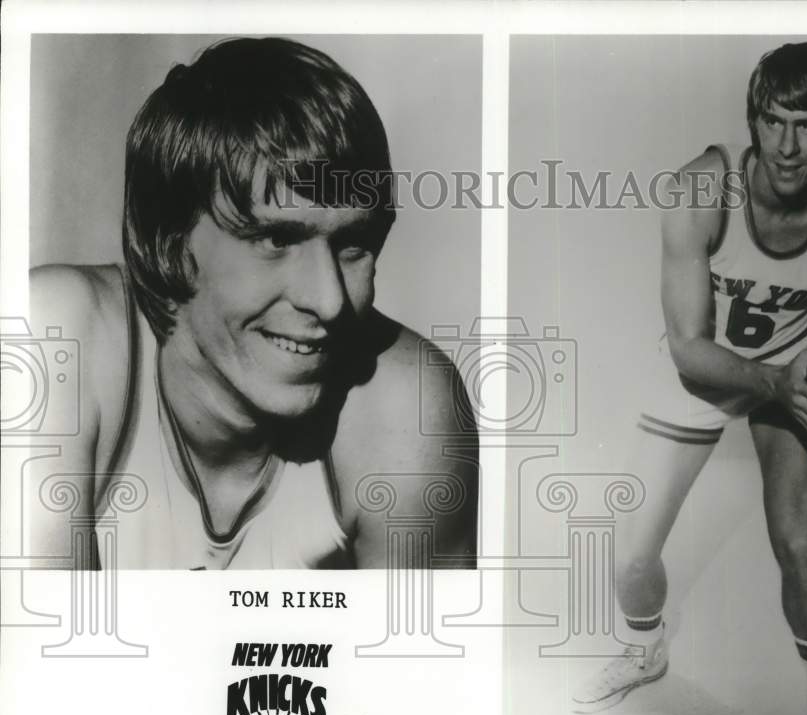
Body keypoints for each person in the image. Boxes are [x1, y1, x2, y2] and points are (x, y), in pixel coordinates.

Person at [28, 37, 477, 569]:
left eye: (353, 245)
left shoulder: (407, 406)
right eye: (277, 240)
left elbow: (417, 653)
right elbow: (40, 651)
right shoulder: (54, 339)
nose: (329, 301)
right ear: (170, 241)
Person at [572, 43, 807, 715]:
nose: (784, 144)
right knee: (629, 553)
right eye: (772, 121)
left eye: (806, 125)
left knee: (800, 543)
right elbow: (686, 345)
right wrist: (768, 379)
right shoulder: (700, 189)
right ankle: (646, 649)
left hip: (797, 368)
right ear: (752, 120)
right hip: (707, 365)